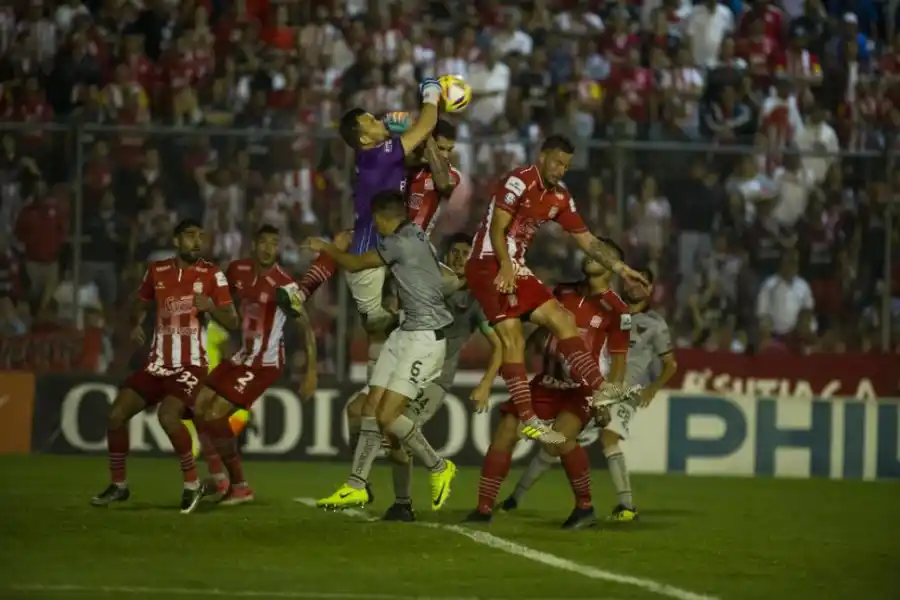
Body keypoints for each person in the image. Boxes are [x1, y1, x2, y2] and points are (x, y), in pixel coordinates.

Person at [465, 135, 648, 444]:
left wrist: (620, 268)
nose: (561, 170)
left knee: (562, 320)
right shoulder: (518, 181)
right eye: (557, 162)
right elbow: (497, 227)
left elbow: (588, 240)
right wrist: (506, 266)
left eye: (566, 166)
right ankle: (529, 418)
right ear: (542, 156)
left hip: (515, 265)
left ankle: (598, 388)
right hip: (487, 263)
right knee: (512, 337)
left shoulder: (560, 197)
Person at [279, 79, 445, 381]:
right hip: (370, 262)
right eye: (369, 119)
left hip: (380, 251)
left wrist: (406, 128)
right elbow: (427, 124)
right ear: (364, 138)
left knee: (388, 323)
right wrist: (431, 93)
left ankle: (302, 293)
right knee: (385, 325)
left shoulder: (380, 155)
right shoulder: (378, 154)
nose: (376, 118)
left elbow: (417, 148)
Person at [305, 190, 457, 511]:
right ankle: (356, 484)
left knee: (388, 416)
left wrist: (326, 247)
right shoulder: (414, 232)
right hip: (405, 331)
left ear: (383, 217)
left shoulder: (398, 243)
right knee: (369, 407)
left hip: (425, 338)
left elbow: (356, 262)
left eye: (376, 220)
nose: (376, 226)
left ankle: (439, 466)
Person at [465, 248, 631, 528]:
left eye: (601, 252)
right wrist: (520, 352)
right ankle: (483, 509)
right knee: (506, 430)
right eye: (592, 250)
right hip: (545, 383)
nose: (592, 254)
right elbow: (540, 329)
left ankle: (585, 508)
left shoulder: (617, 309)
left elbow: (619, 360)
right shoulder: (562, 292)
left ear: (613, 265)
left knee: (560, 440)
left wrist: (605, 402)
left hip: (579, 389)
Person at [502, 267, 677, 522]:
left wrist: (652, 388)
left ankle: (627, 506)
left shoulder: (655, 324)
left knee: (608, 438)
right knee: (555, 444)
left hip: (623, 388)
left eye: (642, 283)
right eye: (631, 280)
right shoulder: (610, 309)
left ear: (651, 289)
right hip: (591, 386)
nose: (634, 286)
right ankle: (514, 499)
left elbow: (671, 363)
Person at [90, 219, 239, 514]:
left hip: (191, 366)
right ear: (176, 241)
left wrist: (210, 306)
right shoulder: (157, 271)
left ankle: (192, 485)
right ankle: (119, 485)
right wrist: (135, 323)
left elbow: (233, 321)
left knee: (168, 416)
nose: (196, 242)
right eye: (189, 236)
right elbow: (140, 302)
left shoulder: (212, 274)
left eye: (200, 236)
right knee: (116, 415)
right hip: (157, 364)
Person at [192, 225, 318, 506]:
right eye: (264, 242)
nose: (268, 248)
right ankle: (220, 478)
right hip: (242, 356)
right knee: (197, 405)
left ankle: (240, 486)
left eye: (274, 243)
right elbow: (224, 301)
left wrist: (311, 371)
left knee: (214, 415)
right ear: (254, 244)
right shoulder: (238, 271)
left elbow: (306, 328)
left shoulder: (285, 286)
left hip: (264, 364)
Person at [381, 232, 503, 522]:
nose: (460, 258)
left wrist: (486, 383)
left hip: (436, 378)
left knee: (399, 425)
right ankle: (402, 504)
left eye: (466, 253)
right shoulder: (427, 284)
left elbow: (499, 344)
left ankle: (436, 469)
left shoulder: (475, 299)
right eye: (455, 253)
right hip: (409, 369)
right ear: (445, 257)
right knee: (393, 433)